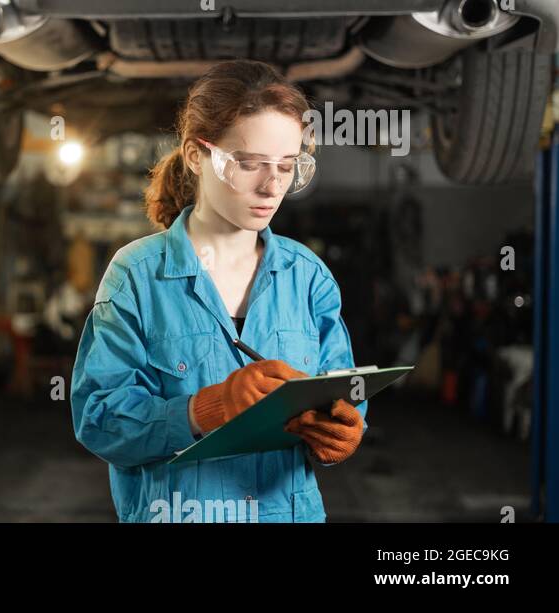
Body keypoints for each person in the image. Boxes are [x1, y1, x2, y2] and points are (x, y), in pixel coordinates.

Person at [70, 60, 366, 523]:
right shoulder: (136, 276)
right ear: (195, 154)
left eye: (287, 166)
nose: (272, 186)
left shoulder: (307, 277)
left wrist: (343, 431)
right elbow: (99, 420)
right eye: (248, 164)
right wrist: (204, 410)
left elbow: (347, 389)